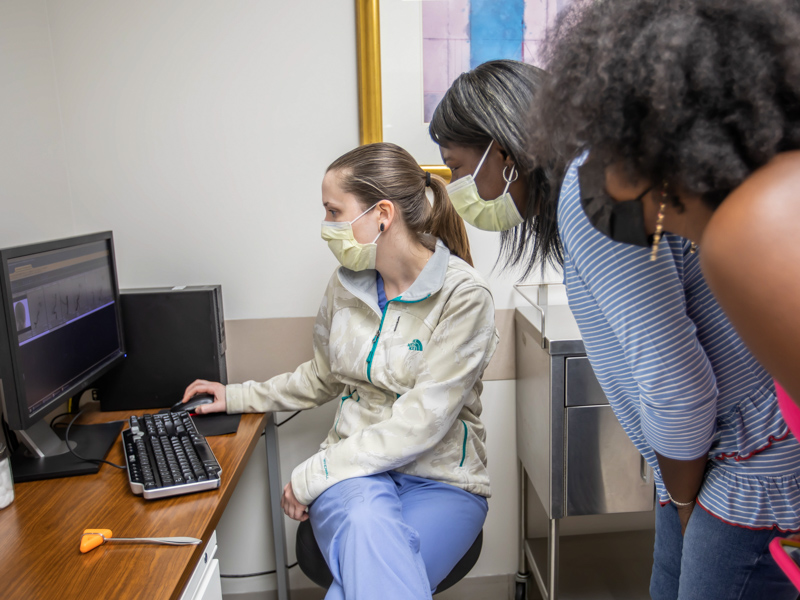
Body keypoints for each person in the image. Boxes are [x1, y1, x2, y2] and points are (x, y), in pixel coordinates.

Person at [524, 1, 800, 598]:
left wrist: (683, 499)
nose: (593, 177)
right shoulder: (765, 208)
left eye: (607, 150)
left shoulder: (751, 233)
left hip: (754, 465)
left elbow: (679, 390)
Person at [181, 142, 498, 600]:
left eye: (334, 211)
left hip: (442, 481)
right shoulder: (345, 285)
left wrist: (312, 474)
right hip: (356, 476)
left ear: (382, 214)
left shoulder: (464, 296)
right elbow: (322, 376)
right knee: (376, 560)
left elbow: (420, 423)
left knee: (366, 582)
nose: (327, 226)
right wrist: (236, 396)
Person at [429, 59, 560, 277]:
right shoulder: (571, 210)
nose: (454, 186)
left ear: (505, 153)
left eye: (455, 168)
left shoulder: (584, 212)